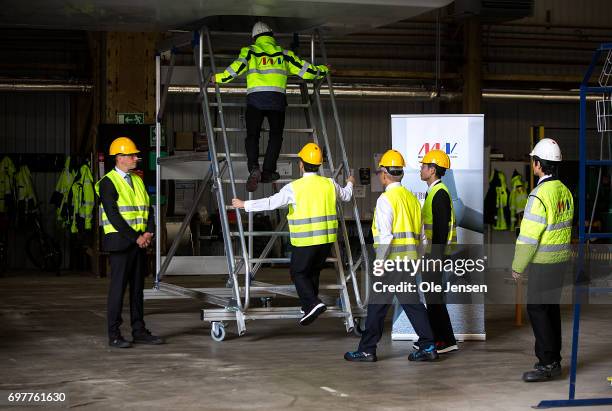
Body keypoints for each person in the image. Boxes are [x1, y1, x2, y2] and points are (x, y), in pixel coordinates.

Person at [232, 142, 354, 325]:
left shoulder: (294, 188)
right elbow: (346, 195)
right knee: (312, 272)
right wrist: (351, 182)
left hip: (305, 241)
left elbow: (271, 202)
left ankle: (313, 303)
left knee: (298, 272)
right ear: (319, 164)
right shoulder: (330, 184)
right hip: (326, 241)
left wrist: (245, 205)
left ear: (301, 164)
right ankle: (309, 306)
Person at [344, 150, 438, 362]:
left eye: (380, 171)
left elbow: (385, 237)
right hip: (408, 263)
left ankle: (367, 349)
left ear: (385, 173)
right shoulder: (413, 200)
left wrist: (379, 264)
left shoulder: (386, 200)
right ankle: (428, 346)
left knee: (377, 307)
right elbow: (422, 238)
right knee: (413, 305)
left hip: (390, 263)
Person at [213, 21, 329, 192]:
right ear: (271, 37)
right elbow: (306, 70)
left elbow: (235, 69)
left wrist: (217, 78)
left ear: (254, 38)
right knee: (275, 136)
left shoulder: (250, 51)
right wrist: (323, 69)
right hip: (276, 100)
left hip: (255, 100)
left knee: (252, 136)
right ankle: (268, 171)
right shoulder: (284, 54)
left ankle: (254, 168)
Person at [511, 138, 573, 382]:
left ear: (537, 164)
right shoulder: (565, 191)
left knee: (538, 309)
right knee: (550, 309)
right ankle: (554, 360)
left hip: (543, 263)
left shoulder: (538, 195)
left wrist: (518, 266)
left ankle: (547, 363)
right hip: (560, 261)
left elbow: (528, 237)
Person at [95, 137, 164, 348]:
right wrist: (137, 237)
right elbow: (114, 216)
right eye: (132, 155)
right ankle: (114, 334)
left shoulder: (138, 180)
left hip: (139, 243)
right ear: (120, 158)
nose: (136, 158)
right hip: (121, 244)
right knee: (118, 290)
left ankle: (139, 330)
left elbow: (147, 208)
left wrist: (149, 232)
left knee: (137, 290)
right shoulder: (107, 183)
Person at [418, 149, 458, 354]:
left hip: (434, 256)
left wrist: (435, 257)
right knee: (433, 297)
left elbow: (441, 230)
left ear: (432, 170)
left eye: (424, 166)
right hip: (432, 255)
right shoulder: (434, 191)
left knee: (434, 298)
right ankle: (440, 337)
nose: (421, 169)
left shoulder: (439, 193)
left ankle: (445, 340)